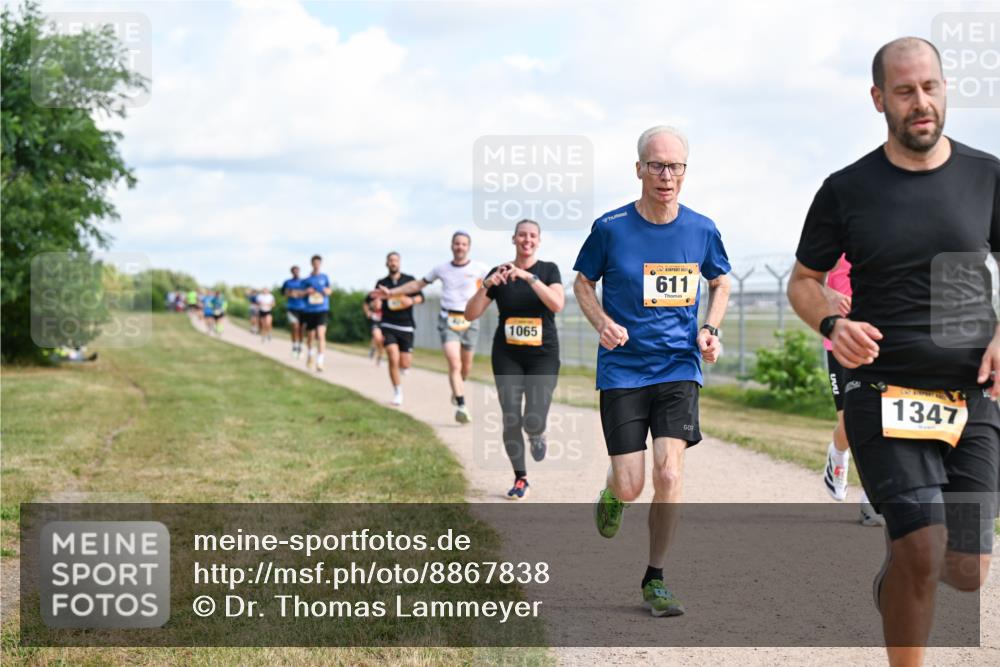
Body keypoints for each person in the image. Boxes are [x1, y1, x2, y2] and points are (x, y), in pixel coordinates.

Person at [787, 37, 999, 666]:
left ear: (944, 90)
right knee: (924, 547)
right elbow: (804, 280)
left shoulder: (986, 176)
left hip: (972, 393)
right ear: (879, 99)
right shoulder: (846, 189)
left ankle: (896, 574)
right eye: (905, 91)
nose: (921, 102)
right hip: (883, 390)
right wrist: (831, 322)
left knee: (967, 569)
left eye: (930, 87)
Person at [573, 125, 731, 617]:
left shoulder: (701, 229)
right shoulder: (610, 227)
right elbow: (582, 282)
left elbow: (720, 282)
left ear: (685, 171)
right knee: (632, 483)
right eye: (657, 165)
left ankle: (655, 578)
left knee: (669, 472)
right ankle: (612, 492)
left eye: (676, 166)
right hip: (622, 369)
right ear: (639, 168)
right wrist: (602, 322)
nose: (667, 176)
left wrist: (710, 329)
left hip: (678, 367)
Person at [465, 220, 564, 499]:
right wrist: (487, 285)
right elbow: (470, 314)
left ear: (539, 240)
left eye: (532, 235)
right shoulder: (499, 272)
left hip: (543, 355)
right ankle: (521, 478)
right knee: (510, 416)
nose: (527, 240)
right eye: (522, 235)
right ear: (514, 239)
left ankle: (536, 433)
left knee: (533, 418)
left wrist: (527, 277)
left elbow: (557, 304)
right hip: (507, 353)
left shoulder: (548, 269)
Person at [378, 231, 488, 423]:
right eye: (456, 243)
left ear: (468, 247)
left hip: (470, 320)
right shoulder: (441, 269)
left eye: (463, 244)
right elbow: (417, 285)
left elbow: (497, 283)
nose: (459, 247)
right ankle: (461, 405)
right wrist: (392, 293)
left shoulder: (480, 268)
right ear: (451, 246)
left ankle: (457, 390)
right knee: (454, 363)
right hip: (448, 320)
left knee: (466, 367)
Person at [822, 254, 886, 526]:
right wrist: (830, 296)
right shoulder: (839, 238)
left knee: (886, 420)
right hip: (842, 343)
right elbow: (805, 282)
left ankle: (872, 501)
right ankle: (837, 453)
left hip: (881, 340)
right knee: (850, 423)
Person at [372, 252, 423, 406]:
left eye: (396, 260)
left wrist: (411, 300)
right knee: (392, 357)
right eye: (390, 261)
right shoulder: (381, 283)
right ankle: (398, 392)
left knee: (405, 363)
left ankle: (402, 368)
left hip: (406, 325)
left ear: (400, 263)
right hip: (388, 324)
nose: (393, 263)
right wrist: (376, 304)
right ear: (387, 264)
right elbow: (375, 303)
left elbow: (421, 298)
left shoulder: (409, 280)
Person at [301, 255, 332, 372]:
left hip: (322, 309)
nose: (316, 265)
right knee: (310, 336)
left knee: (321, 335)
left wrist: (326, 291)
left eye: (318, 263)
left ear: (321, 264)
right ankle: (310, 355)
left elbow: (330, 290)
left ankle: (320, 361)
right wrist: (306, 292)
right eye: (314, 263)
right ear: (312, 264)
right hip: (310, 310)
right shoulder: (307, 280)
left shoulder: (325, 277)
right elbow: (300, 294)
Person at [282, 266, 306, 358]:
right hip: (292, 308)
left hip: (303, 308)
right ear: (291, 272)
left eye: (297, 271)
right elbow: (284, 293)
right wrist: (290, 293)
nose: (296, 272)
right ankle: (294, 347)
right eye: (294, 271)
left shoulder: (304, 282)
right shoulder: (287, 282)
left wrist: (298, 293)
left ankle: (300, 346)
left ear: (299, 271)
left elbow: (307, 292)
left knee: (302, 329)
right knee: (295, 327)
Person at [363, 293, 384, 366]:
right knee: (377, 336)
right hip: (375, 319)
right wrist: (367, 312)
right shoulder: (373, 294)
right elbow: (365, 303)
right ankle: (373, 348)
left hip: (385, 320)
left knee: (382, 340)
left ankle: (380, 357)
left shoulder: (392, 293)